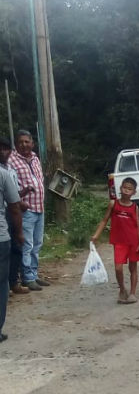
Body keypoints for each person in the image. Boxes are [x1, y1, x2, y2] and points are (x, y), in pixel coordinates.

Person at [8, 130, 48, 291]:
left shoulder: (35, 159)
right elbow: (10, 185)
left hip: (39, 207)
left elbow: (40, 180)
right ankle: (27, 277)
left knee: (37, 244)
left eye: (27, 142)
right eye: (20, 142)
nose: (24, 145)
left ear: (32, 143)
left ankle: (34, 273)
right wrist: (20, 201)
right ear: (16, 144)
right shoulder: (12, 161)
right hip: (25, 210)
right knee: (27, 244)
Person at [91, 178, 139, 304]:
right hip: (119, 242)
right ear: (120, 188)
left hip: (133, 242)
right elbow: (104, 220)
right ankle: (122, 289)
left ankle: (132, 293)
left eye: (130, 189)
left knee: (133, 268)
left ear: (134, 192)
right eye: (125, 188)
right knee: (118, 268)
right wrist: (96, 235)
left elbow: (138, 226)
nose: (126, 191)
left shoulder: (135, 207)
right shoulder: (114, 204)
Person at [0, 146, 24, 344]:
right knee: (1, 284)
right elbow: (15, 208)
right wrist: (19, 232)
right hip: (1, 238)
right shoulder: (4, 174)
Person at [0, 138, 28, 295]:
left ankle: (12, 283)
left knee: (16, 249)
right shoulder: (3, 173)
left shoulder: (10, 170)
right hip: (7, 214)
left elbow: (14, 196)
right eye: (0, 149)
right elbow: (14, 205)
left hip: (11, 214)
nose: (3, 152)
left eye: (6, 149)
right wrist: (20, 232)